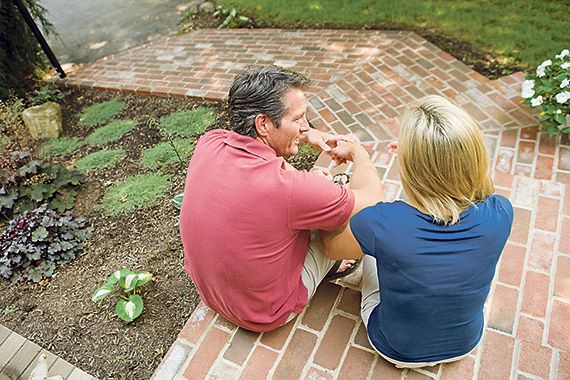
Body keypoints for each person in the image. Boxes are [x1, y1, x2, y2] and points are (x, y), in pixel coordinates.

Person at [179, 65, 382, 332]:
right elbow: (371, 201)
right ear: (263, 124)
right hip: (264, 313)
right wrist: (359, 154)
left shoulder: (211, 141)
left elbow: (272, 178)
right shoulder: (290, 188)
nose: (305, 127)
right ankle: (331, 265)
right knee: (350, 227)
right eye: (298, 120)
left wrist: (307, 135)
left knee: (299, 207)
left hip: (213, 295)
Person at [322, 95, 513, 367]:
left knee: (373, 252)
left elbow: (331, 248)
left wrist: (359, 157)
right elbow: (477, 188)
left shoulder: (381, 222)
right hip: (465, 342)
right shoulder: (502, 211)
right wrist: (432, 156)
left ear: (412, 165)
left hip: (395, 348)